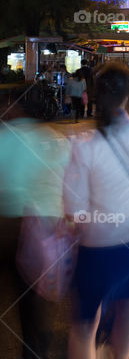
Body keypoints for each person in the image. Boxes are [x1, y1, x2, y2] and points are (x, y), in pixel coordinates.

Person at [62, 62, 129, 359]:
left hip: (97, 244)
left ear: (95, 96)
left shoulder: (85, 145)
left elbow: (74, 208)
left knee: (86, 323)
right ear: (128, 94)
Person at [0, 86, 71, 359]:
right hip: (40, 233)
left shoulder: (4, 136)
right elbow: (66, 188)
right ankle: (33, 352)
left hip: (5, 226)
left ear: (15, 106)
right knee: (32, 305)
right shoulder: (54, 139)